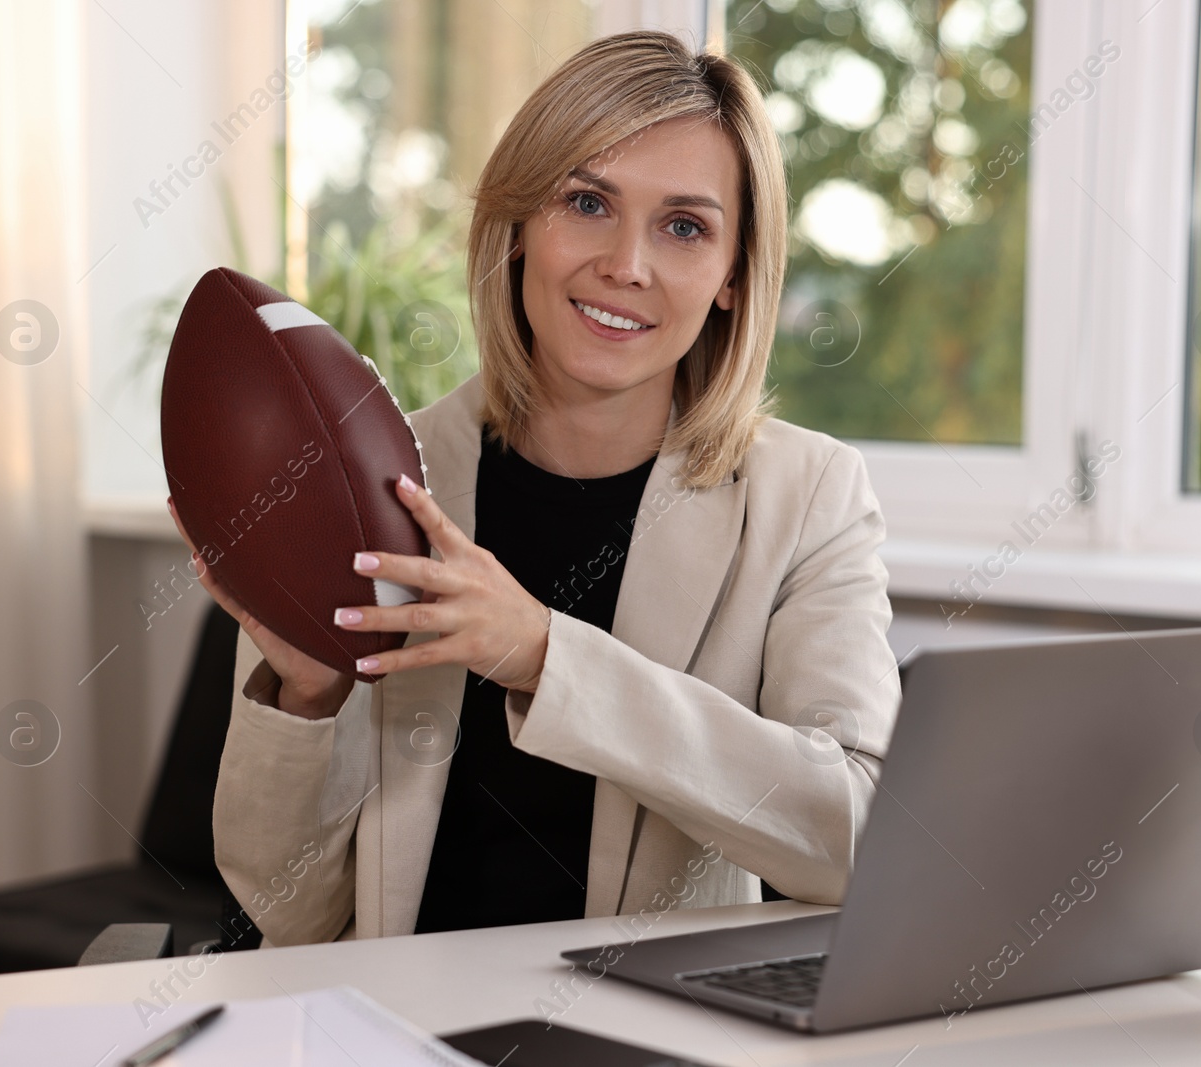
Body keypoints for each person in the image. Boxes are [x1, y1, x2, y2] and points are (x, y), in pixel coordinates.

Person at [177, 29, 901, 945]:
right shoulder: (373, 476)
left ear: (731, 274)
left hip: (650, 1038)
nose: (626, 264)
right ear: (519, 226)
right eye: (587, 202)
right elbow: (287, 914)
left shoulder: (809, 498)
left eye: (685, 226)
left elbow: (858, 836)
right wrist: (307, 696)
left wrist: (546, 656)